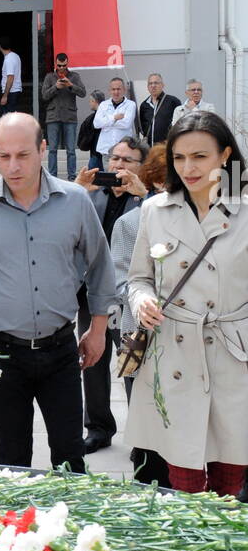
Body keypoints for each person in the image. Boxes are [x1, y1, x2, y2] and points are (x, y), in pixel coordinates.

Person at [0, 113, 115, 473]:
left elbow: (100, 265)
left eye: (22, 155)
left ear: (43, 149)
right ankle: (12, 529)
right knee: (10, 454)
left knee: (70, 454)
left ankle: (73, 528)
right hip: (2, 353)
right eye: (3, 156)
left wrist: (98, 328)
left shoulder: (75, 202)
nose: (13, 166)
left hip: (61, 349)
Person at [126, 111, 248, 496]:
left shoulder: (243, 206)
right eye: (179, 157)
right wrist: (142, 301)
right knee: (185, 478)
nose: (188, 167)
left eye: (200, 156)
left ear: (225, 155)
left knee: (230, 474)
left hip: (234, 355)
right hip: (175, 353)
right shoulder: (154, 209)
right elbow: (138, 278)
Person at [75, 136, 148, 452]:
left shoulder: (148, 200)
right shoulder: (90, 196)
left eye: (127, 160)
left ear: (140, 167)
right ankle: (99, 428)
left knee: (132, 365)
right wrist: (77, 190)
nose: (118, 165)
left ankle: (142, 434)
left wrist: (143, 195)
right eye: (114, 158)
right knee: (92, 362)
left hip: (132, 298)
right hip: (93, 295)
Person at [109, 143, 170, 487]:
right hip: (138, 335)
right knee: (144, 415)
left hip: (185, 334)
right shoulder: (130, 223)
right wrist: (145, 301)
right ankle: (148, 481)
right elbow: (121, 281)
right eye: (163, 180)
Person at [40, 52, 87, 182]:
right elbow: (44, 95)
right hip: (53, 116)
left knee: (71, 150)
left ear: (67, 63)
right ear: (56, 64)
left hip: (69, 116)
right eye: (59, 65)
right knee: (53, 149)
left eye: (64, 65)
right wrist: (56, 87)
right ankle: (52, 177)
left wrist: (70, 85)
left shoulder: (74, 76)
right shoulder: (50, 77)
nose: (61, 68)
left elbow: (83, 92)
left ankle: (72, 177)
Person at [92, 77, 137, 168]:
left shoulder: (131, 104)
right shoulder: (103, 105)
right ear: (109, 90)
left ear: (124, 90)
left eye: (118, 89)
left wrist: (106, 121)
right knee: (109, 179)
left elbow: (126, 124)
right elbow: (96, 124)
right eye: (113, 89)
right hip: (106, 150)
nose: (116, 92)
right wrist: (114, 118)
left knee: (123, 179)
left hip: (124, 151)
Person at [138, 74, 181, 145]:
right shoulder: (144, 105)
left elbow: (180, 124)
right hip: (150, 148)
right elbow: (142, 127)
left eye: (156, 83)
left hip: (167, 146)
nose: (153, 85)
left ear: (163, 85)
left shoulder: (173, 101)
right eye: (150, 83)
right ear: (147, 87)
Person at [77, 90, 106, 168]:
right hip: (100, 153)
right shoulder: (108, 115)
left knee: (94, 176)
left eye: (90, 101)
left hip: (96, 153)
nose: (89, 103)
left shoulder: (93, 118)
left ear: (94, 101)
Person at [0, 37, 22, 112]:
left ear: (0, 46)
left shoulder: (9, 59)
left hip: (11, 92)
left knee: (9, 118)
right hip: (15, 90)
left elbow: (10, 77)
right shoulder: (15, 56)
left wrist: (5, 96)